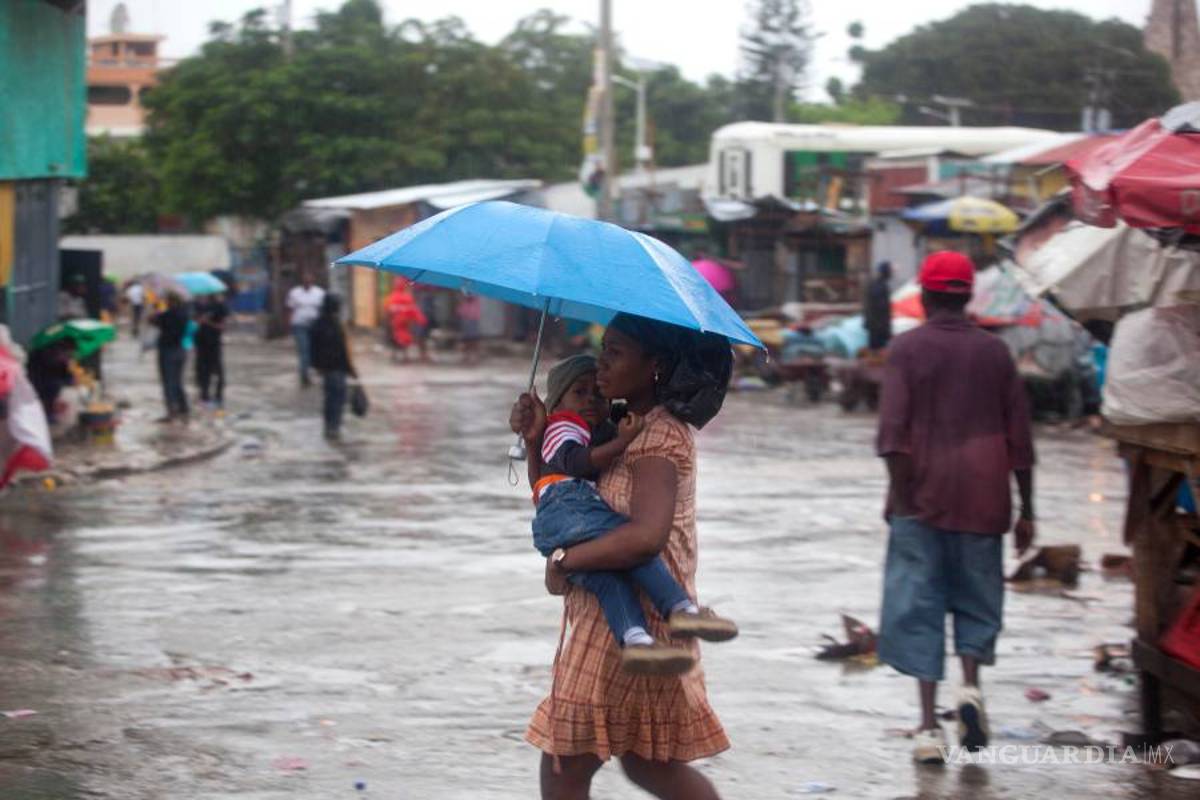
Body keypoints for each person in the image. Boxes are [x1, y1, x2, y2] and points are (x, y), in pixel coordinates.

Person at [511, 313, 734, 800]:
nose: (600, 366)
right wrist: (536, 443)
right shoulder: (617, 431)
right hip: (633, 618)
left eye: (615, 353)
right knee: (649, 766)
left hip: (628, 624)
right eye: (602, 349)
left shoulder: (654, 437)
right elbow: (558, 493)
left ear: (653, 364)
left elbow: (645, 539)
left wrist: (566, 561)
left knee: (565, 771)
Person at [875, 251, 1036, 765]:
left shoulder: (906, 350)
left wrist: (899, 496)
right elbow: (1021, 438)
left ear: (923, 296)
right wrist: (1028, 509)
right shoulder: (996, 353)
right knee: (976, 599)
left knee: (919, 607)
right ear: (968, 296)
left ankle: (927, 728)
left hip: (921, 494)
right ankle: (970, 688)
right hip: (987, 495)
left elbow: (893, 434)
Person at [528, 354, 737, 675]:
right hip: (568, 505)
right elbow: (574, 464)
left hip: (562, 517)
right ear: (556, 403)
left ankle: (636, 640)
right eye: (580, 393)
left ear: (654, 363)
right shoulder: (564, 426)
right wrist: (622, 440)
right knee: (625, 543)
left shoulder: (646, 432)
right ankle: (679, 608)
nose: (591, 399)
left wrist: (561, 560)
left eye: (596, 392)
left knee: (609, 580)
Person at [309, 294, 357, 441]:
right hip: (332, 368)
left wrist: (350, 369)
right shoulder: (324, 325)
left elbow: (343, 348)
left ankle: (332, 425)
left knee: (335, 397)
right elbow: (315, 348)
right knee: (335, 397)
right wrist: (317, 366)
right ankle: (332, 426)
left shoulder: (332, 323)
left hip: (336, 368)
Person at [150, 292, 190, 422]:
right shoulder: (184, 314)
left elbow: (152, 320)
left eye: (167, 300)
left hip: (167, 351)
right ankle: (183, 408)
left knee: (168, 382)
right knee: (178, 381)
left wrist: (155, 307)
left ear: (170, 301)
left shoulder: (167, 315)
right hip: (180, 350)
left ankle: (171, 412)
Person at [286, 272, 325, 387]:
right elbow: (289, 309)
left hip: (315, 325)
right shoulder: (295, 293)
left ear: (313, 282)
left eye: (309, 281)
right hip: (299, 325)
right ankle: (304, 375)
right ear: (302, 282)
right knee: (304, 350)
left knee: (316, 350)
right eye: (305, 281)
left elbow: (323, 310)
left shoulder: (319, 293)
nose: (307, 283)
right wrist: (289, 325)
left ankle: (318, 370)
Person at [195, 293, 229, 409]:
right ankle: (204, 396)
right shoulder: (196, 306)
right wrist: (198, 322)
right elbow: (192, 325)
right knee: (202, 372)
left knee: (218, 372)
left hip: (214, 344)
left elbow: (222, 327)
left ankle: (219, 397)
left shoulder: (219, 306)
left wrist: (208, 322)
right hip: (200, 344)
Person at [384, 279, 427, 363]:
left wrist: (388, 320)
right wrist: (420, 319)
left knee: (395, 338)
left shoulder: (390, 298)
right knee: (404, 338)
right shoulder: (407, 297)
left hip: (395, 323)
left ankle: (395, 355)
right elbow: (413, 310)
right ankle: (405, 356)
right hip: (406, 323)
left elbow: (387, 310)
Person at [864, 261, 894, 351]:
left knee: (875, 351)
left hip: (874, 326)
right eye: (889, 271)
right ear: (886, 272)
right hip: (878, 327)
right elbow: (882, 309)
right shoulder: (881, 286)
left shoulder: (875, 284)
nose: (891, 274)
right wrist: (886, 329)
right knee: (879, 352)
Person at [457, 292, 482, 364]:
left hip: (472, 318)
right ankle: (466, 356)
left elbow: (471, 298)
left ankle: (474, 356)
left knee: (473, 339)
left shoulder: (475, 293)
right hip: (465, 317)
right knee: (466, 339)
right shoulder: (463, 292)